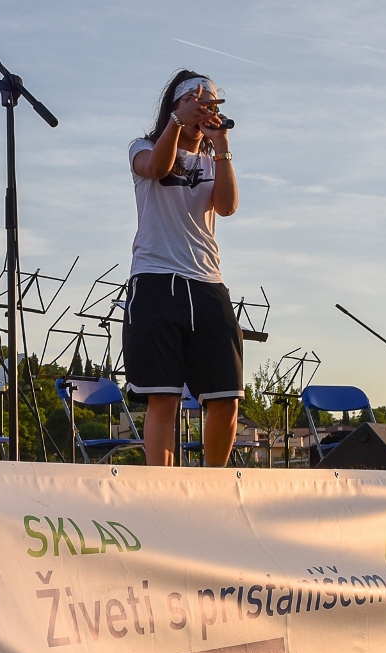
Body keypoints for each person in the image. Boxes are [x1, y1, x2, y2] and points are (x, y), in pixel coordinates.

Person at [123, 70, 240, 466]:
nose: (203, 107)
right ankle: (163, 488)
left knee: (226, 396)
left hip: (207, 280)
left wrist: (221, 143)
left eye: (210, 102)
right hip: (157, 279)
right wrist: (177, 123)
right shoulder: (143, 146)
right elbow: (156, 168)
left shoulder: (211, 159)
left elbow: (227, 206)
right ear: (174, 105)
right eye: (194, 100)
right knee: (164, 397)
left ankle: (214, 485)